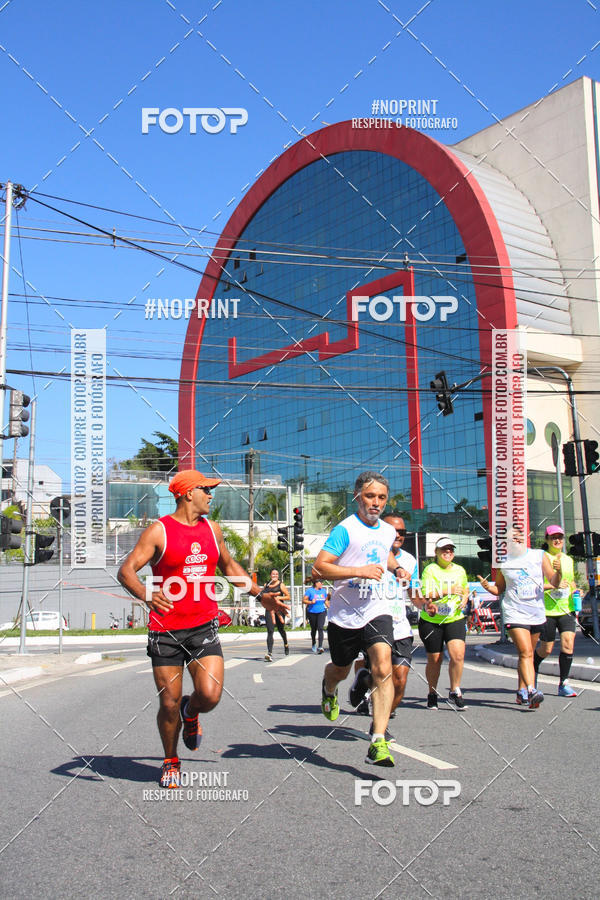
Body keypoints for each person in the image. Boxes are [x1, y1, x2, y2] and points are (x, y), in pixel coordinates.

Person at [117, 470, 288, 788]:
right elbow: (126, 570)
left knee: (209, 696)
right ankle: (170, 759)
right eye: (205, 490)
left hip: (202, 627)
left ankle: (191, 711)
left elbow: (230, 567)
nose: (211, 495)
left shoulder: (212, 530)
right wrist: (145, 593)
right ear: (186, 494)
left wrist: (261, 594)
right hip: (166, 632)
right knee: (168, 702)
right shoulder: (159, 532)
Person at [312, 471, 408, 767]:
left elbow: (384, 556)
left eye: (381, 497)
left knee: (382, 666)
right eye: (370, 496)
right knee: (339, 669)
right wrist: (359, 571)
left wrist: (396, 569)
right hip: (344, 615)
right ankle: (329, 690)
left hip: (376, 610)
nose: (376, 502)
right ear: (358, 497)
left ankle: (377, 741)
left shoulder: (387, 531)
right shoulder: (345, 530)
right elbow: (319, 568)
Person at [348, 513, 426, 728]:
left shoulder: (409, 560)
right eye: (394, 531)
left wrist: (426, 604)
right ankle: (377, 721)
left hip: (400, 625)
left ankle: (379, 717)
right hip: (373, 621)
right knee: (382, 674)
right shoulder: (367, 553)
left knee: (400, 680)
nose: (399, 535)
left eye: (403, 532)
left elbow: (413, 592)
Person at [478, 526, 561, 708]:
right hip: (514, 612)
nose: (515, 539)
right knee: (525, 652)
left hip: (536, 613)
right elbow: (499, 588)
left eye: (518, 536)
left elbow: (554, 582)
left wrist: (559, 572)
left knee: (528, 655)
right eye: (510, 537)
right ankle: (532, 690)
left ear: (524, 538)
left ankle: (521, 690)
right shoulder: (504, 562)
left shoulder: (539, 555)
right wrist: (486, 587)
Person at [419, 537, 470, 710]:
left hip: (454, 618)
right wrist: (447, 590)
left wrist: (464, 598)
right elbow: (427, 595)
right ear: (437, 552)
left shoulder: (460, 570)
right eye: (444, 549)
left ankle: (455, 689)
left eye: (450, 549)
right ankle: (432, 693)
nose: (448, 552)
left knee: (458, 655)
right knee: (435, 659)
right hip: (432, 621)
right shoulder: (430, 570)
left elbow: (465, 588)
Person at [534, 525, 578, 697]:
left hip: (566, 608)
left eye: (560, 537)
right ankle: (532, 669)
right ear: (547, 540)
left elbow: (571, 581)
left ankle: (564, 683)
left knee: (568, 643)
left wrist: (576, 590)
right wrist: (553, 585)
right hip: (547, 611)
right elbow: (535, 584)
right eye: (553, 537)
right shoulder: (541, 559)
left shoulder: (568, 560)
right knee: (546, 649)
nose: (557, 540)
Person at [262, 568, 290, 661]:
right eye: (273, 574)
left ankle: (286, 643)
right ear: (270, 575)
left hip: (279, 610)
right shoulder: (267, 585)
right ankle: (269, 652)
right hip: (269, 610)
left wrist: (278, 597)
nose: (274, 576)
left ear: (278, 576)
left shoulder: (281, 585)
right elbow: (263, 596)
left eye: (276, 574)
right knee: (270, 630)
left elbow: (288, 596)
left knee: (281, 629)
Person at [303, 578, 329, 653]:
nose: (322, 584)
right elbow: (304, 600)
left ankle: (320, 646)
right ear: (316, 583)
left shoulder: (323, 591)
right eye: (321, 583)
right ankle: (313, 642)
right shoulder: (310, 591)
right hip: (312, 612)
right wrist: (311, 602)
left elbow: (326, 600)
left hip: (322, 611)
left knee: (320, 628)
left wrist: (329, 607)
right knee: (313, 629)